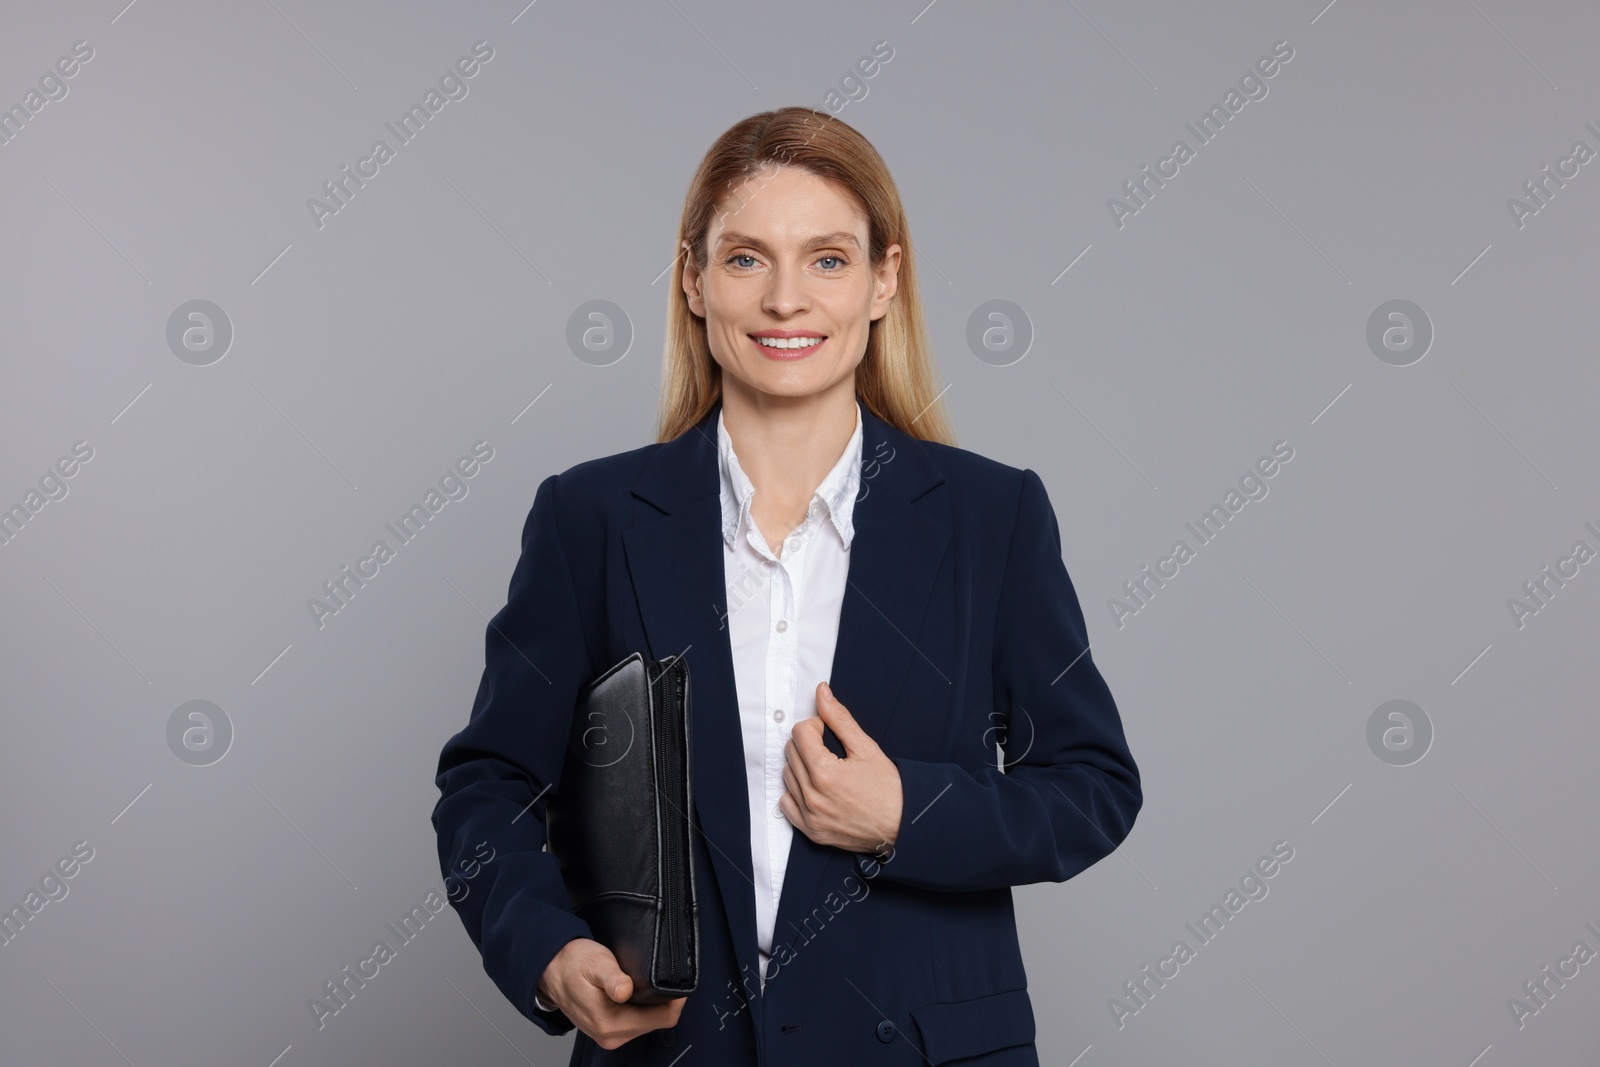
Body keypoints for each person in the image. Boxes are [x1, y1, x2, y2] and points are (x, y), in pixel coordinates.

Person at [432, 106, 1141, 1066]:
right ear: (693, 279)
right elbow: (488, 784)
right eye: (745, 259)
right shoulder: (589, 517)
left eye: (829, 259)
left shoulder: (993, 517)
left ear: (885, 280)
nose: (785, 300)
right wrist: (548, 950)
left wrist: (905, 814)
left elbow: (1093, 787)